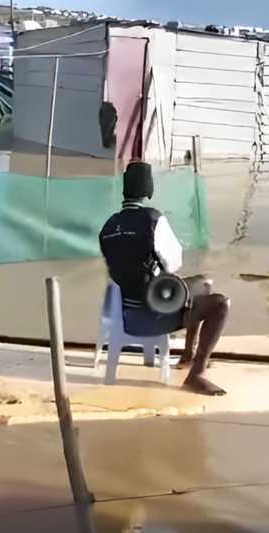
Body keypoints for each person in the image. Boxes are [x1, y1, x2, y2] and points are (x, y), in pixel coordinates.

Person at [98, 161, 230, 396]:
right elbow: (173, 263)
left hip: (125, 315)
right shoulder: (152, 220)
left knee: (204, 283)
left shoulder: (108, 226)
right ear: (148, 191)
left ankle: (188, 355)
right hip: (156, 315)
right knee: (219, 303)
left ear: (125, 190)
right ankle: (195, 373)